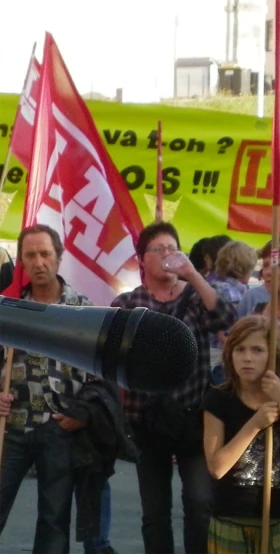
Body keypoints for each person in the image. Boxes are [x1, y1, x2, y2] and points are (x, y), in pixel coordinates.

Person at [112, 221, 237, 554]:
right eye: (159, 249)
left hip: (193, 418)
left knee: (199, 503)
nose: (168, 255)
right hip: (146, 419)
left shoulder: (195, 297)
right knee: (155, 512)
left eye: (172, 247)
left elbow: (226, 318)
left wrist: (193, 274)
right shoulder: (128, 303)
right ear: (141, 259)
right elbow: (110, 353)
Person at [0, 224, 93, 553]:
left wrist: (82, 414)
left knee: (54, 520)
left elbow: (99, 379)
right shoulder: (7, 309)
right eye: (30, 255)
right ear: (21, 262)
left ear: (59, 257)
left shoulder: (84, 311)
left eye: (45, 254)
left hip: (59, 429)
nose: (38, 262)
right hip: (10, 428)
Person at [202, 315, 280, 553]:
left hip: (277, 519)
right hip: (230, 516)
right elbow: (217, 468)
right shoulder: (219, 399)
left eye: (258, 350)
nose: (247, 358)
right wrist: (255, 424)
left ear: (272, 355)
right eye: (239, 349)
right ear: (230, 354)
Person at [209, 241, 258, 384]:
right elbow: (228, 331)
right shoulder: (229, 292)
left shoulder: (217, 285)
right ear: (244, 266)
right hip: (223, 357)